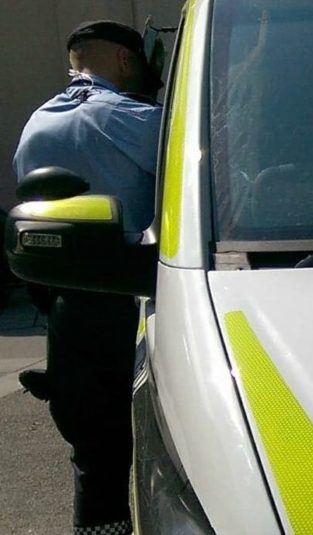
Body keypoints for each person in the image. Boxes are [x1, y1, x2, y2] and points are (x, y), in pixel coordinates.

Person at [11, 20, 162, 535]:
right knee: (166, 449)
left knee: (95, 457)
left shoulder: (37, 124)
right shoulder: (136, 119)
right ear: (124, 59)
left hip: (68, 309)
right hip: (139, 303)